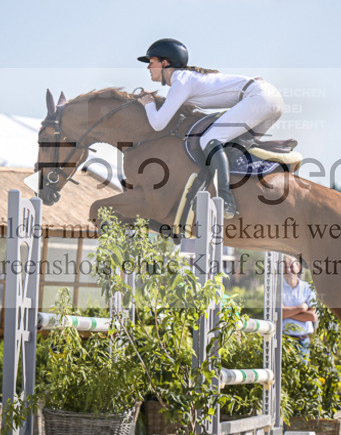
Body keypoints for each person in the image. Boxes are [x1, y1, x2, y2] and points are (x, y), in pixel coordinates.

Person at [135, 38, 284, 218]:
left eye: (152, 62)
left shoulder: (181, 82)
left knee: (209, 139)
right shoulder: (186, 80)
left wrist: (148, 104)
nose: (148, 68)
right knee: (232, 149)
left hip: (259, 98)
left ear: (165, 63)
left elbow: (158, 124)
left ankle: (226, 201)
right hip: (270, 99)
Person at [281, 255, 318, 355]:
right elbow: (280, 313)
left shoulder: (308, 288)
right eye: (285, 267)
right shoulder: (278, 288)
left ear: (298, 268)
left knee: (303, 369)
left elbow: (312, 316)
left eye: (291, 267)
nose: (288, 270)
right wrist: (301, 308)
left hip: (303, 341)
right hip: (284, 341)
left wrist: (287, 313)